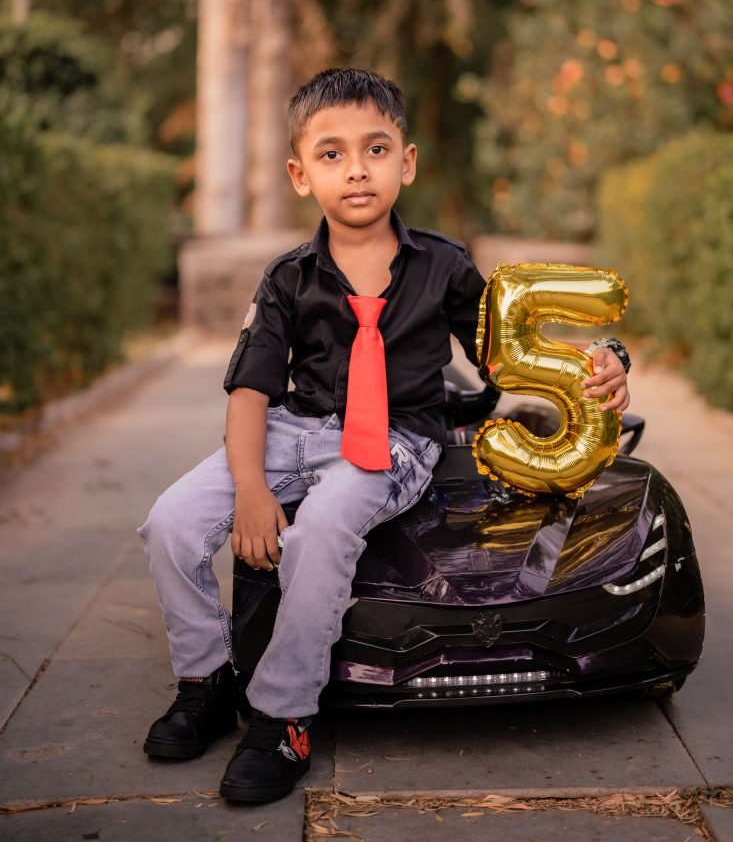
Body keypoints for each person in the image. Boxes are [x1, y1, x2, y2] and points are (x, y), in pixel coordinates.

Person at [138, 68, 631, 805]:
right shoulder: (286, 279)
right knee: (170, 521)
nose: (356, 169)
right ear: (300, 176)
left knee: (320, 531)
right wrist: (250, 488)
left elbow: (509, 356)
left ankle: (282, 716)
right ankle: (205, 683)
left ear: (407, 162)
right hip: (293, 430)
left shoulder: (445, 265)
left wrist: (606, 361)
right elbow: (250, 394)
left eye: (375, 149)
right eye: (331, 154)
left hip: (396, 442)